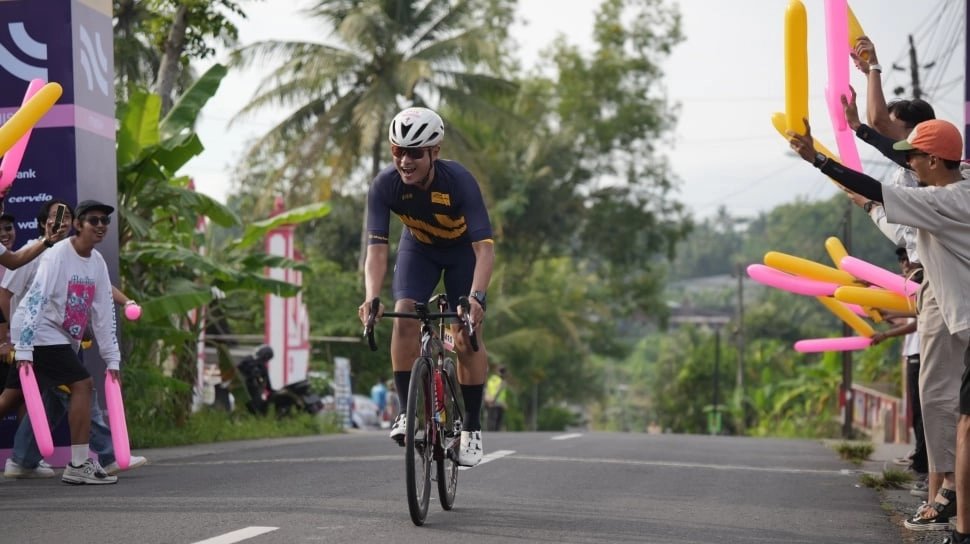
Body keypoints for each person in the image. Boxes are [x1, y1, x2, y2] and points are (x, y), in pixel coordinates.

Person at [787, 118, 969, 541]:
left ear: (934, 161)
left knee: (959, 415)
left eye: (914, 158)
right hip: (949, 303)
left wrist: (819, 160)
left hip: (963, 312)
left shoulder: (941, 201)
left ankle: (953, 501)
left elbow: (877, 189)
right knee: (944, 402)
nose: (908, 166)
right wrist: (863, 131)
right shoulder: (959, 179)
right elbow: (896, 171)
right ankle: (952, 499)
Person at [357, 107, 494, 467]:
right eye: (397, 151)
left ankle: (472, 428)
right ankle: (406, 413)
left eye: (415, 153)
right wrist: (372, 296)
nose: (405, 161)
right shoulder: (384, 186)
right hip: (419, 250)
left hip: (463, 253)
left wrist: (477, 298)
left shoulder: (459, 181)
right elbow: (376, 251)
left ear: (434, 152)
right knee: (404, 315)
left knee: (465, 335)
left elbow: (484, 250)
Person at [1, 200, 146, 478]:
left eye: (105, 221)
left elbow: (103, 310)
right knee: (82, 384)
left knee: (13, 398)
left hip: (58, 336)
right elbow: (36, 298)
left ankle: (22, 459)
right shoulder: (55, 253)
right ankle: (80, 465)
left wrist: (112, 358)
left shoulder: (97, 262)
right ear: (79, 225)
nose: (100, 225)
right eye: (94, 220)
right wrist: (25, 347)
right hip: (39, 332)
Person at [869, 248, 926, 482]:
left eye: (908, 257)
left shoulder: (923, 282)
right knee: (917, 413)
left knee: (923, 413)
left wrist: (886, 333)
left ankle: (923, 464)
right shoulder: (908, 287)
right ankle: (920, 458)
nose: (904, 263)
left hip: (922, 353)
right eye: (901, 259)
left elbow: (919, 318)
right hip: (914, 353)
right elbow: (911, 316)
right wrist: (887, 315)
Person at [485, 365, 508, 432]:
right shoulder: (502, 380)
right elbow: (498, 390)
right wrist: (494, 399)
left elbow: (487, 388)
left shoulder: (492, 379)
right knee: (497, 421)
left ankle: (490, 433)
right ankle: (494, 433)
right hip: (497, 403)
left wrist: (487, 398)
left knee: (490, 419)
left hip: (490, 401)